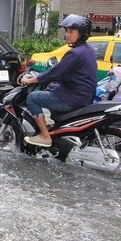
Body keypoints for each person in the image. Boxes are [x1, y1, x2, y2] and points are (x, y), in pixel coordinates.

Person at [19, 14, 98, 147]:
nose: (67, 34)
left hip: (74, 98)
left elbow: (54, 73)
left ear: (81, 34)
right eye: (66, 31)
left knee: (33, 98)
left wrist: (31, 80)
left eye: (71, 31)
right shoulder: (87, 50)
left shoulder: (75, 53)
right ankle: (56, 131)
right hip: (84, 96)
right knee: (53, 88)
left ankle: (45, 136)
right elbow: (65, 71)